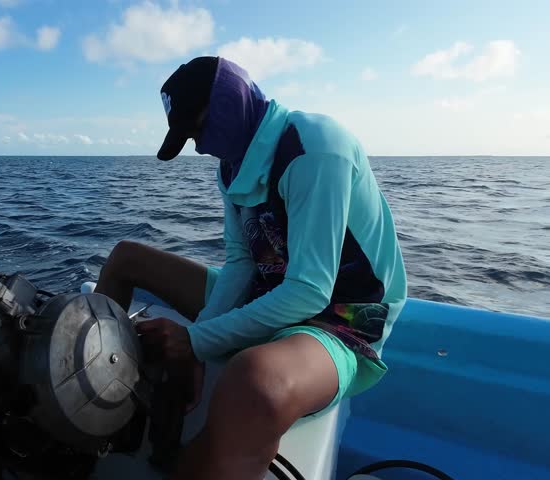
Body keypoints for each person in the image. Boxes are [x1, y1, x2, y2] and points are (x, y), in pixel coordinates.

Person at [95, 56, 407, 480]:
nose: (201, 147)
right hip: (269, 288)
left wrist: (196, 340)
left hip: (340, 320)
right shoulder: (233, 165)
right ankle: (92, 397)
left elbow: (310, 292)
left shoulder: (315, 149)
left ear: (229, 104)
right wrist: (196, 345)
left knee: (254, 382)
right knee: (126, 258)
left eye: (200, 129)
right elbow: (241, 262)